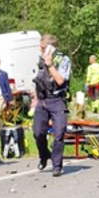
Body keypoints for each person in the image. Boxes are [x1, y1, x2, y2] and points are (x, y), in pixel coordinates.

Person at [31, 34, 71, 177]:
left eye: (43, 47)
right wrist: (35, 99)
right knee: (38, 132)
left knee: (59, 133)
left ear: (50, 47)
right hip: (42, 101)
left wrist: (50, 65)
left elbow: (60, 81)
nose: (40, 50)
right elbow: (39, 80)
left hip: (57, 100)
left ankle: (57, 165)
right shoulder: (40, 59)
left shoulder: (63, 59)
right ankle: (44, 154)